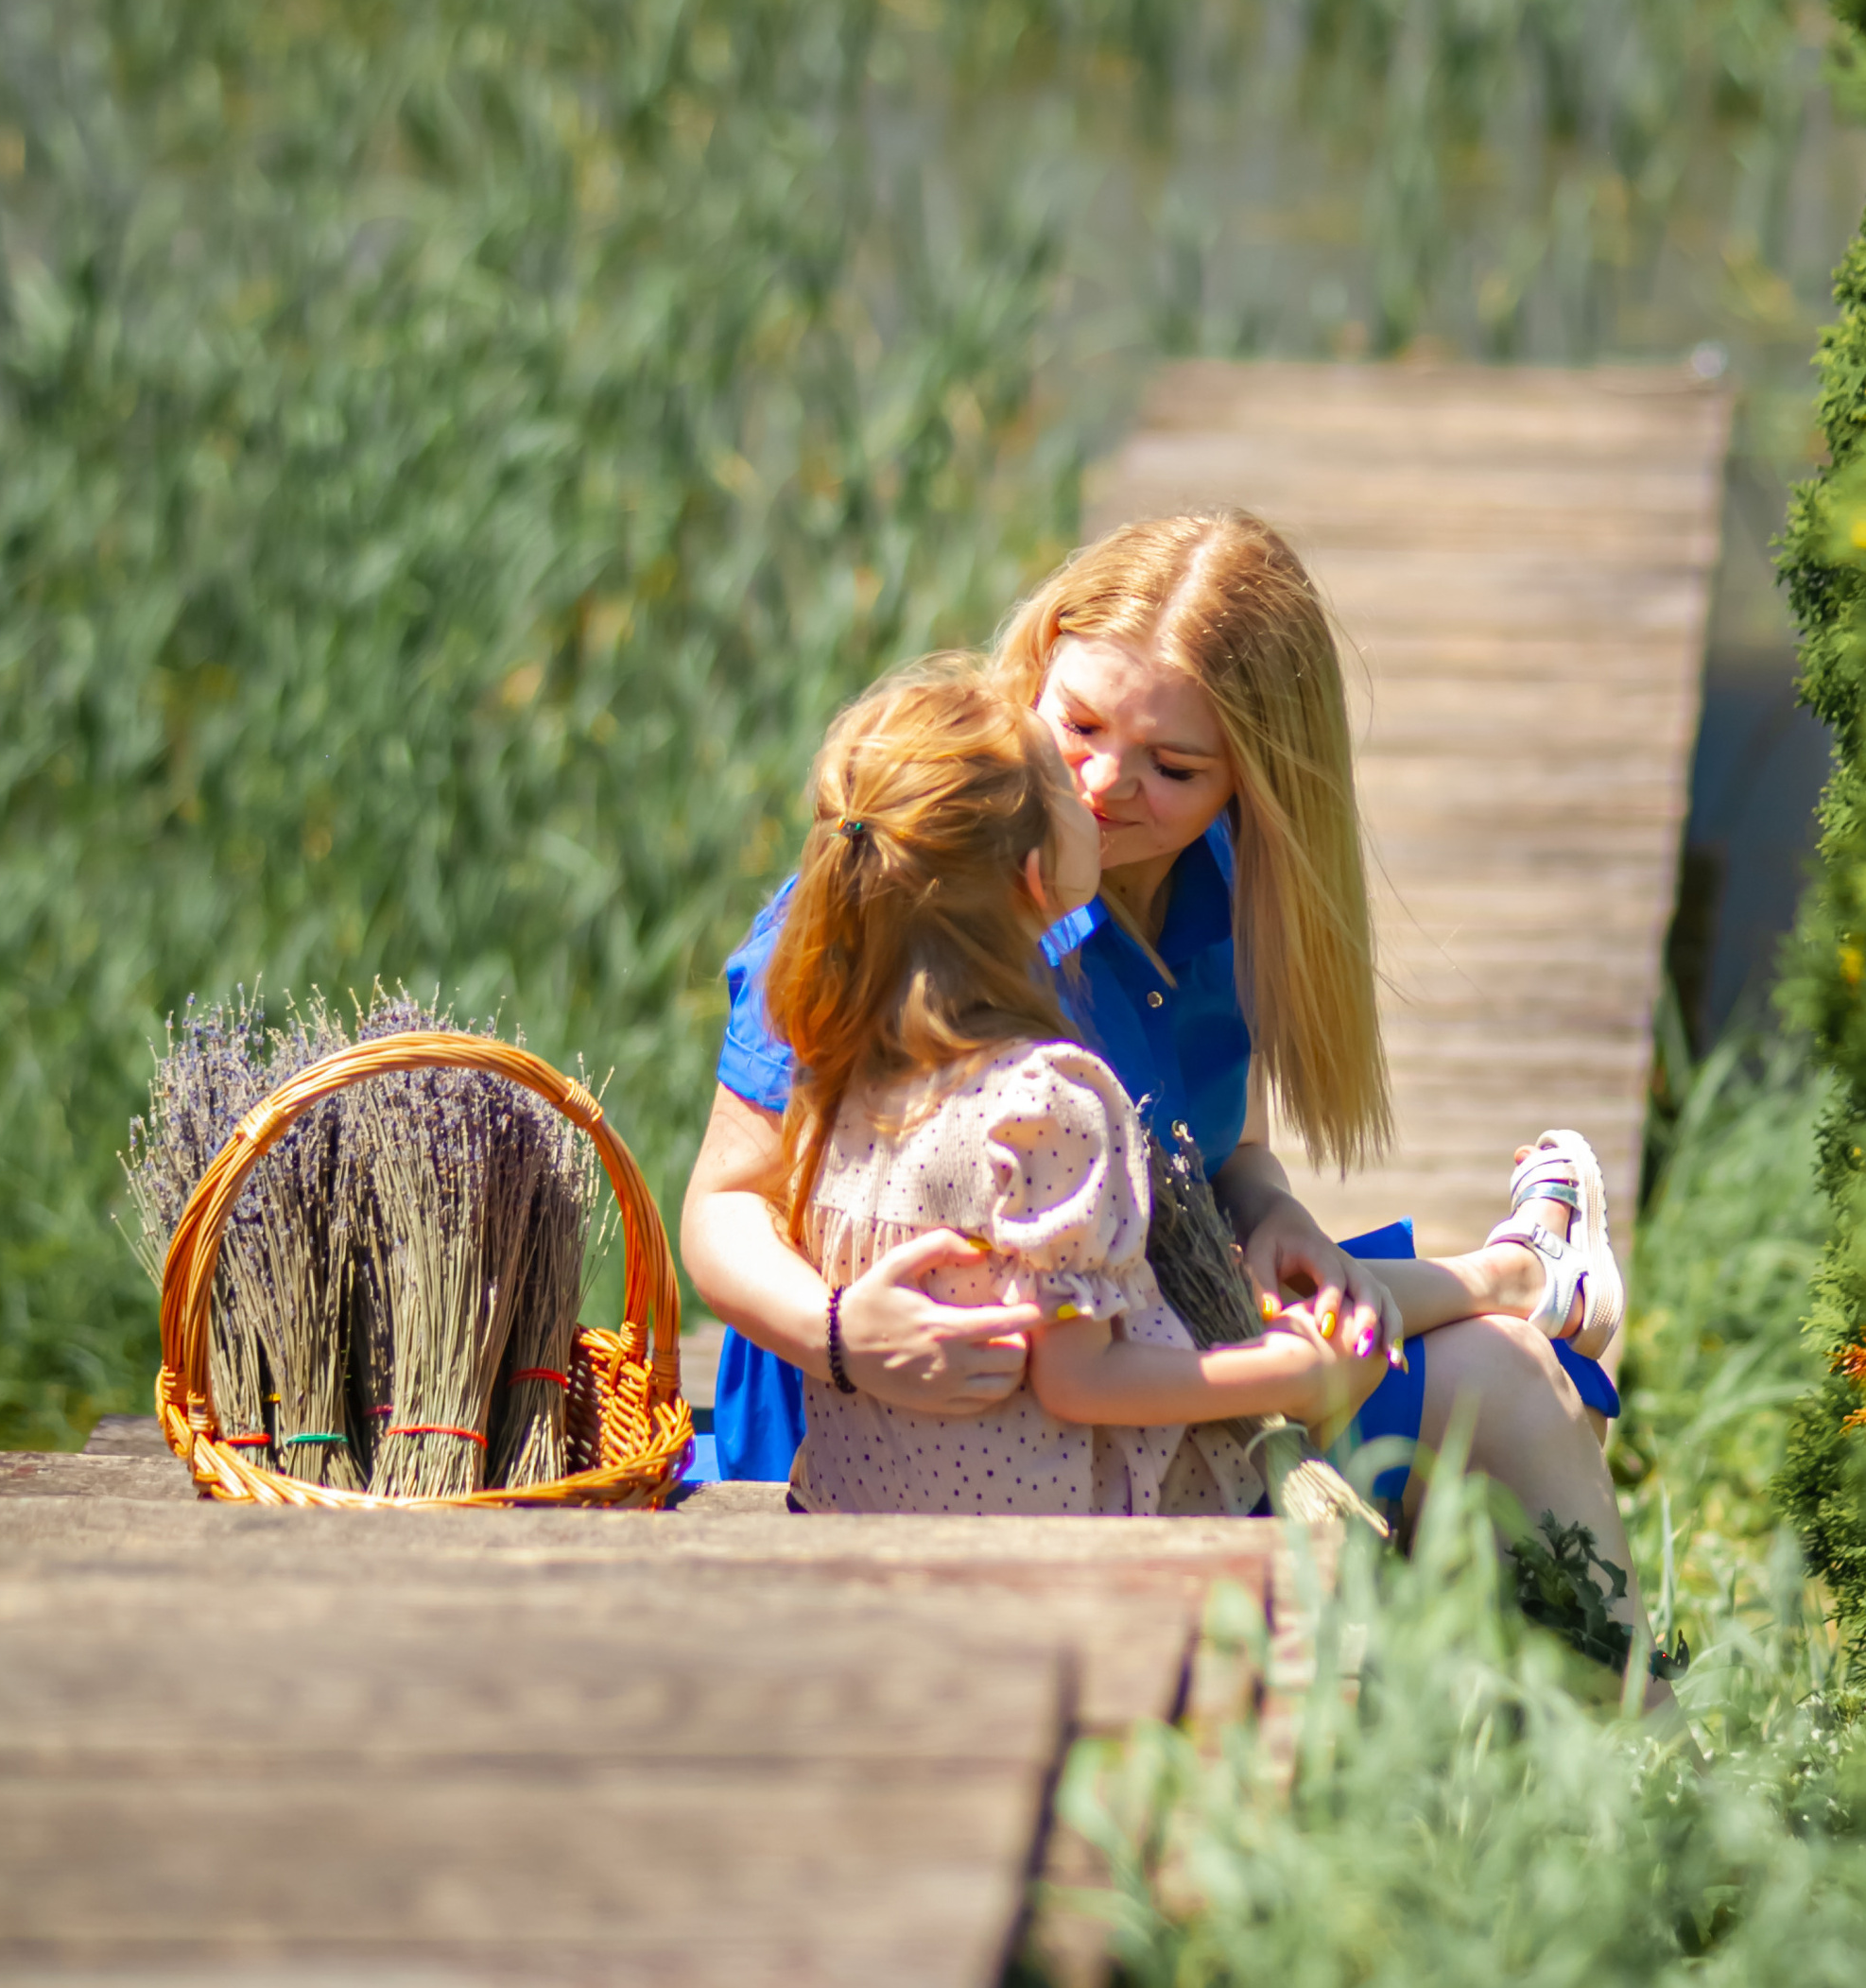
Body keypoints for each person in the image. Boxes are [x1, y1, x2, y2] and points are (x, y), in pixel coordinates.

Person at [682, 510, 1640, 1606]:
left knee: (1509, 1380)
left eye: (1173, 766)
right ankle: (1522, 1276)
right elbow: (721, 1207)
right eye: (1078, 726)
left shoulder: (1224, 889)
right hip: (899, 1430)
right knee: (1489, 1367)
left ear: (1253, 784)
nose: (1102, 784)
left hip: (1144, 1380)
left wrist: (1272, 1210)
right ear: (1031, 671)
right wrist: (845, 1334)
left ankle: (1629, 1743)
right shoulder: (895, 892)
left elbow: (1217, 1142)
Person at [759, 658, 1357, 1514]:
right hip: (1043, 1542)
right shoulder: (1048, 1107)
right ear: (1041, 876)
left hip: (848, 1510)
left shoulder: (845, 1073)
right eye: (1065, 785)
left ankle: (1512, 1275)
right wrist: (1293, 1372)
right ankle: (1522, 1276)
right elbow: (1081, 1383)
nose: (1098, 790)